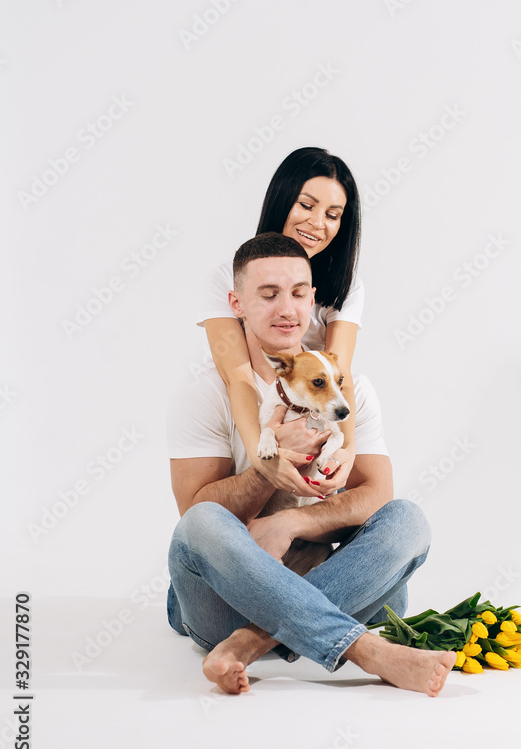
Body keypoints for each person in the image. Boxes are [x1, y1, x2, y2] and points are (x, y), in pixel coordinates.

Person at [166, 232, 456, 696]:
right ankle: (367, 650)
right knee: (201, 522)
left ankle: (250, 643)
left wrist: (291, 523)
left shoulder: (350, 391)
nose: (287, 309)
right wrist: (266, 468)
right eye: (268, 294)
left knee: (408, 520)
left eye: (299, 293)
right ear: (236, 303)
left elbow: (375, 497)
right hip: (226, 600)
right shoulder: (205, 393)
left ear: (313, 298)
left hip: (312, 570)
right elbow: (196, 519)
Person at [198, 147, 363, 501]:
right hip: (257, 413)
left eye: (332, 214)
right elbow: (238, 376)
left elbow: (340, 373)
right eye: (306, 205)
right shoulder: (227, 277)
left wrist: (346, 450)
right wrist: (264, 456)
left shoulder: (345, 286)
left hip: (316, 415)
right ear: (281, 199)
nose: (317, 223)